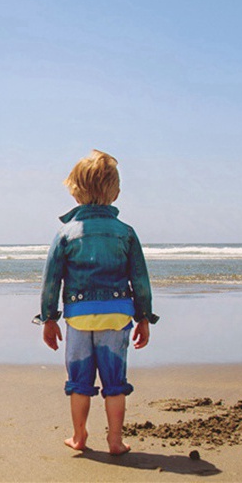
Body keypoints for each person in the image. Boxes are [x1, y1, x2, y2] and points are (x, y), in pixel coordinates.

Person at [34, 149, 158, 455]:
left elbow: (51, 280)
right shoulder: (126, 233)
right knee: (115, 382)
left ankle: (79, 437)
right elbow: (140, 280)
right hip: (117, 316)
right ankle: (115, 441)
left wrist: (48, 318)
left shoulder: (65, 233)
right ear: (114, 192)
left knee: (79, 381)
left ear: (75, 192)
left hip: (78, 317)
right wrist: (144, 317)